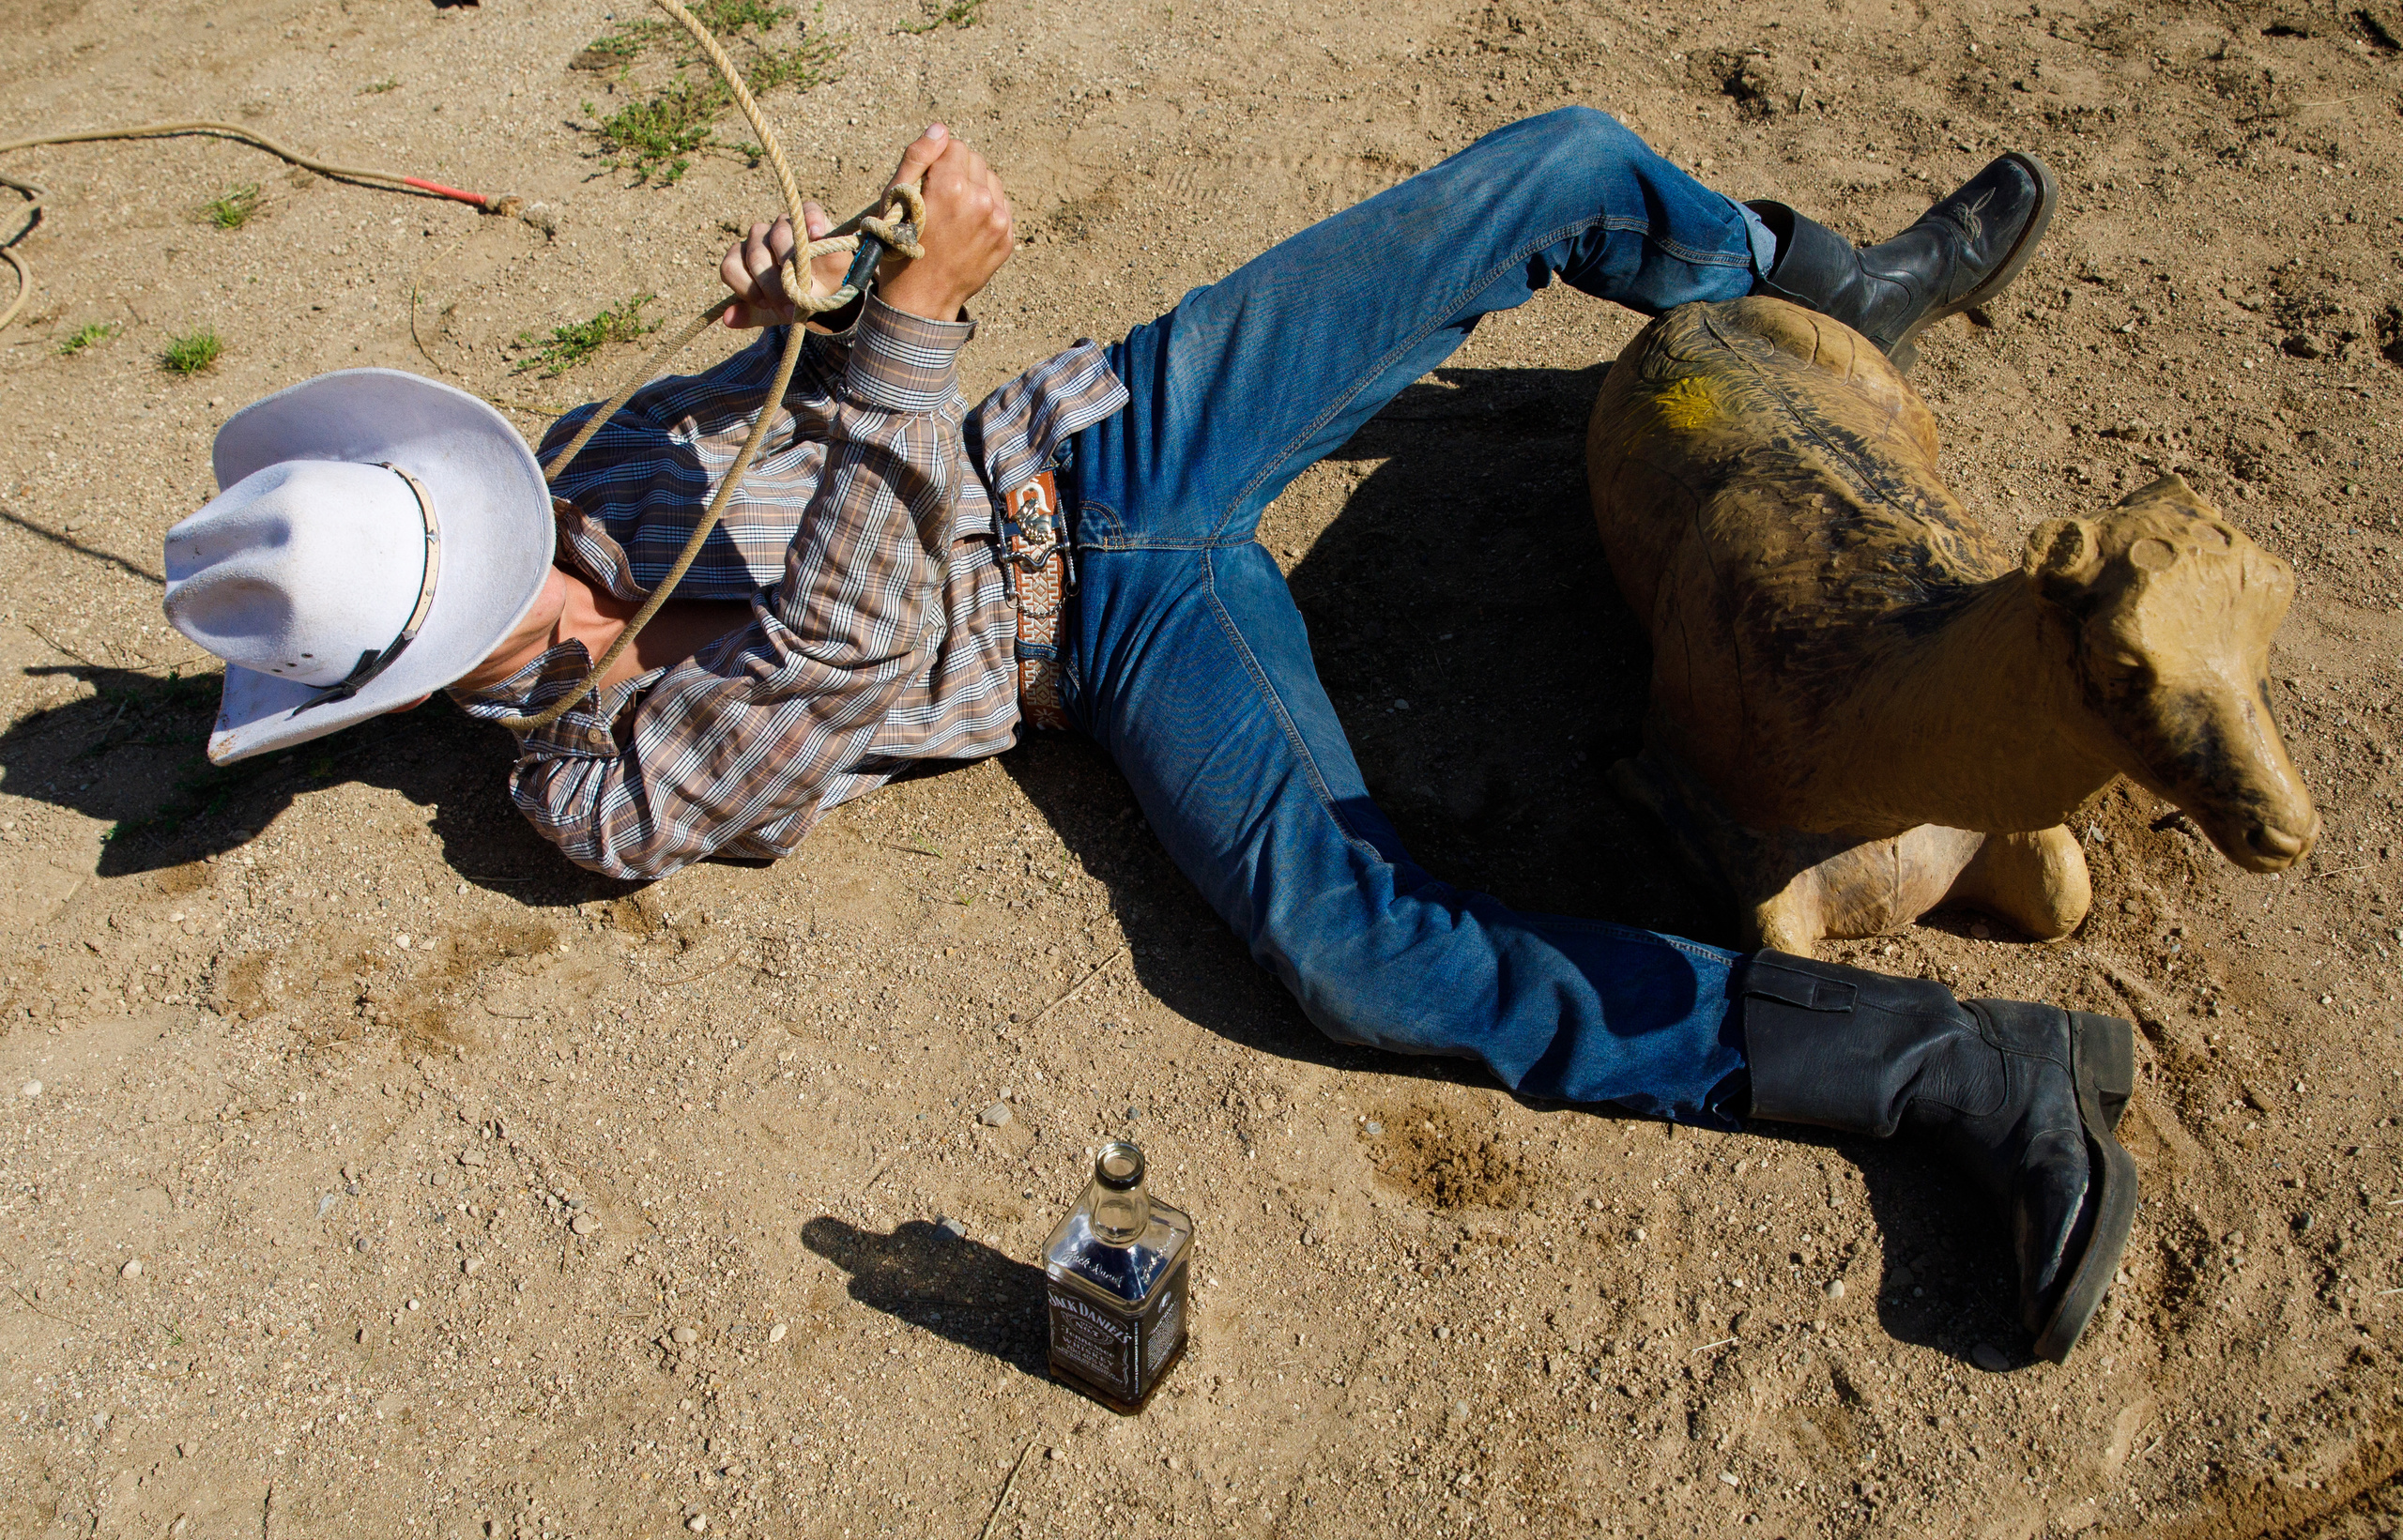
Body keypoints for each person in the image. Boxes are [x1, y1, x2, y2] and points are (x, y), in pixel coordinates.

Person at [160, 109, 2133, 1362]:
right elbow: (845, 654)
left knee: (1542, 170)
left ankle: (1821, 285)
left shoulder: (573, 465)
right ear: (423, 681)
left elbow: (822, 396)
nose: (524, 520)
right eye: (475, 564)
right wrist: (909, 326)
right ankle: (1962, 1070)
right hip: (1101, 627)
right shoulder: (580, 793)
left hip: (1096, 432)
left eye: (470, 490)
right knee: (1362, 952)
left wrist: (839, 289)